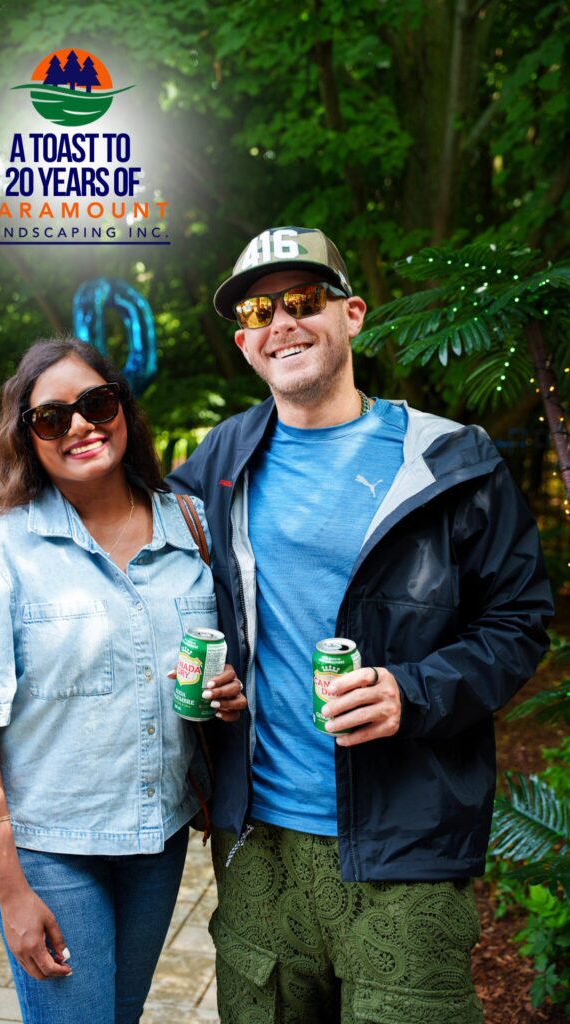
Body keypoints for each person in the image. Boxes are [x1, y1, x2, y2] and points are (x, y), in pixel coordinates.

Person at [168, 226, 554, 1024]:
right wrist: (201, 676)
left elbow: (518, 625)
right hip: (257, 844)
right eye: (259, 309)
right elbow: (153, 584)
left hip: (405, 841)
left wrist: (409, 692)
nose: (282, 322)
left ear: (352, 315)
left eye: (303, 301)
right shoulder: (217, 463)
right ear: (244, 341)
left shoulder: (452, 461)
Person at [0, 338, 246, 1024]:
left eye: (96, 404)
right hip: (49, 848)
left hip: (155, 839)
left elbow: (223, 665)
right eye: (51, 417)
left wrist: (226, 695)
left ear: (123, 409)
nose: (79, 426)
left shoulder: (191, 529)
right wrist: (11, 893)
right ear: (26, 437)